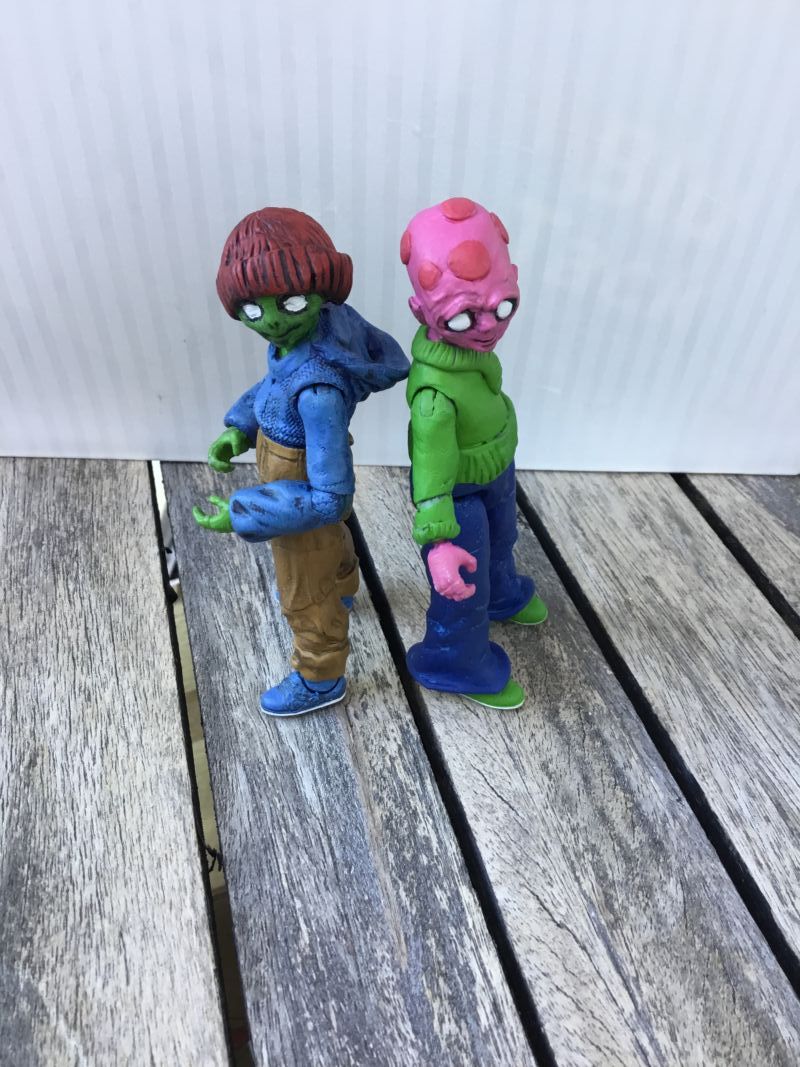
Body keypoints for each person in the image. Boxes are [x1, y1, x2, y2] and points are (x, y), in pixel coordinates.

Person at [195, 207, 408, 717]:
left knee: (303, 591)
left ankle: (320, 675)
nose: (271, 320)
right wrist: (240, 427)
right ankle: (344, 585)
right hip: (291, 482)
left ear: (321, 291)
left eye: (290, 302)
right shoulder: (293, 345)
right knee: (329, 547)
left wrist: (243, 512)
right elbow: (270, 391)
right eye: (253, 309)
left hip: (301, 499)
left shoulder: (318, 393)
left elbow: (329, 499)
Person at [399, 197, 547, 710]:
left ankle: (502, 592)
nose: (488, 326)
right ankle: (454, 659)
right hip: (456, 493)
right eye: (463, 318)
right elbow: (431, 470)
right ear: (422, 312)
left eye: (503, 306)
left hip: (495, 466)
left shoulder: (472, 359)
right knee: (462, 585)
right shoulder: (434, 396)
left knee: (502, 538)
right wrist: (438, 540)